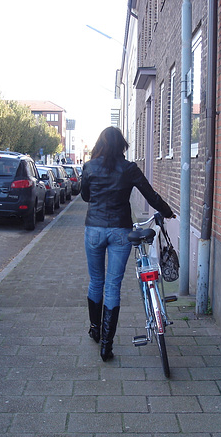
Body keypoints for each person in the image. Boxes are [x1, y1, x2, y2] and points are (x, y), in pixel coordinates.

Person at [81, 127, 174, 362]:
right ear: (122, 145)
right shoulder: (129, 168)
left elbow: (85, 196)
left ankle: (95, 329)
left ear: (100, 144)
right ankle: (106, 346)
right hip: (120, 231)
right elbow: (150, 194)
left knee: (96, 281)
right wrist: (167, 211)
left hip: (94, 229)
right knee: (112, 286)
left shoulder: (90, 167)